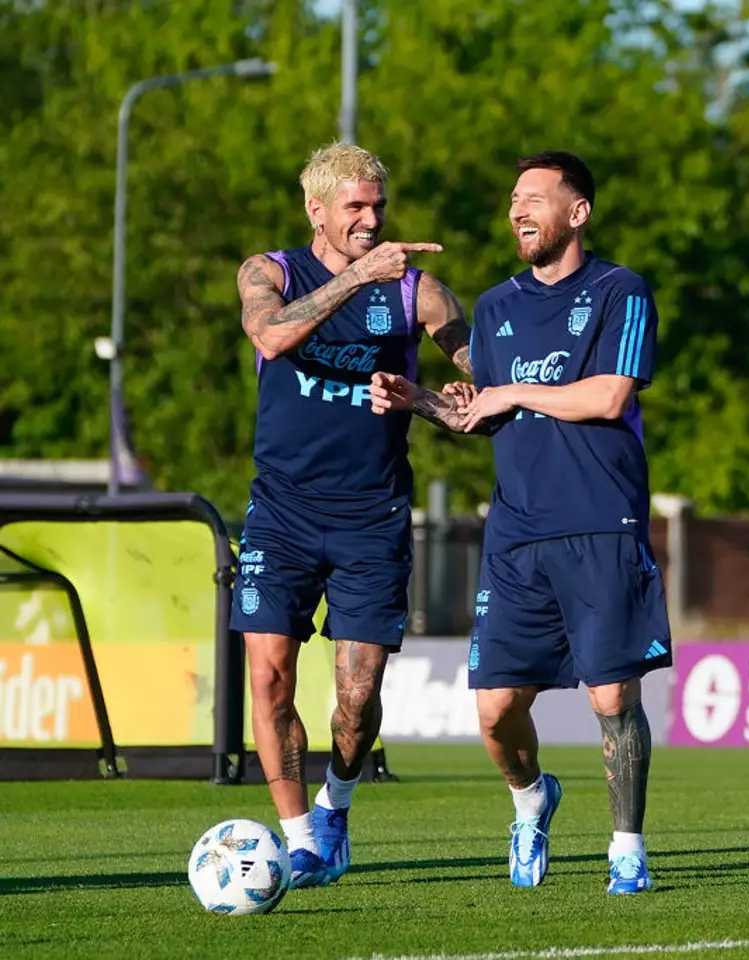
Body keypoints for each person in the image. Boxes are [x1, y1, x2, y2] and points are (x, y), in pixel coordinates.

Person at [369, 150, 671, 895]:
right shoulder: (497, 307)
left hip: (601, 520)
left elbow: (609, 396)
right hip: (516, 532)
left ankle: (626, 850)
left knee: (612, 698)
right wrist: (418, 400)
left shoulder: (621, 291)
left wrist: (511, 394)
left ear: (578, 212)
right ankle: (533, 801)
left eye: (534, 197)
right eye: (513, 200)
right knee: (497, 711)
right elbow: (479, 413)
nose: (517, 210)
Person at [233, 142, 473, 890]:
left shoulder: (418, 293)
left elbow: (486, 406)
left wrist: (426, 401)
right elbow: (271, 334)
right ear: (317, 210)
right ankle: (300, 842)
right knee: (269, 678)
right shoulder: (269, 272)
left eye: (379, 207)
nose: (372, 220)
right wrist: (359, 278)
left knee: (356, 697)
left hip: (373, 518)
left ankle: (335, 805)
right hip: (281, 512)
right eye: (356, 207)